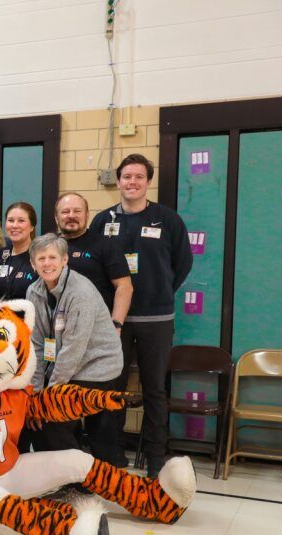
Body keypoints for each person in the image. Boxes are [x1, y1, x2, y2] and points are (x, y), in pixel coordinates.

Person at [89, 153, 193, 476]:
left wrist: (158, 292)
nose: (132, 182)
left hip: (156, 321)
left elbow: (183, 263)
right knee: (110, 390)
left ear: (148, 181)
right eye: (126, 177)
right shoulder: (102, 221)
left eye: (139, 177)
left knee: (154, 391)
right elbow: (93, 265)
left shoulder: (168, 220)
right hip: (112, 324)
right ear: (117, 181)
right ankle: (111, 459)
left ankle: (155, 462)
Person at [25, 234, 125, 463]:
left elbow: (73, 349)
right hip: (64, 366)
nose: (47, 263)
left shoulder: (80, 293)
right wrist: (36, 394)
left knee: (52, 417)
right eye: (41, 258)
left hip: (96, 366)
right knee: (37, 417)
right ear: (32, 263)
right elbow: (37, 346)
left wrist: (47, 398)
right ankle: (64, 475)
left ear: (64, 260)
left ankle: (82, 479)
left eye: (53, 257)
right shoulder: (33, 291)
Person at [55, 192, 132, 321]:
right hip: (56, 324)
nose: (71, 215)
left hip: (96, 325)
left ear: (87, 215)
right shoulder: (48, 246)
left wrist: (116, 325)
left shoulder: (106, 244)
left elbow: (124, 287)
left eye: (77, 211)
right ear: (56, 217)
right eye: (65, 212)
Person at [0, 202, 38, 300]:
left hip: (30, 313)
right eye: (10, 220)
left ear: (32, 227)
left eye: (21, 221)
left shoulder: (40, 256)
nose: (15, 225)